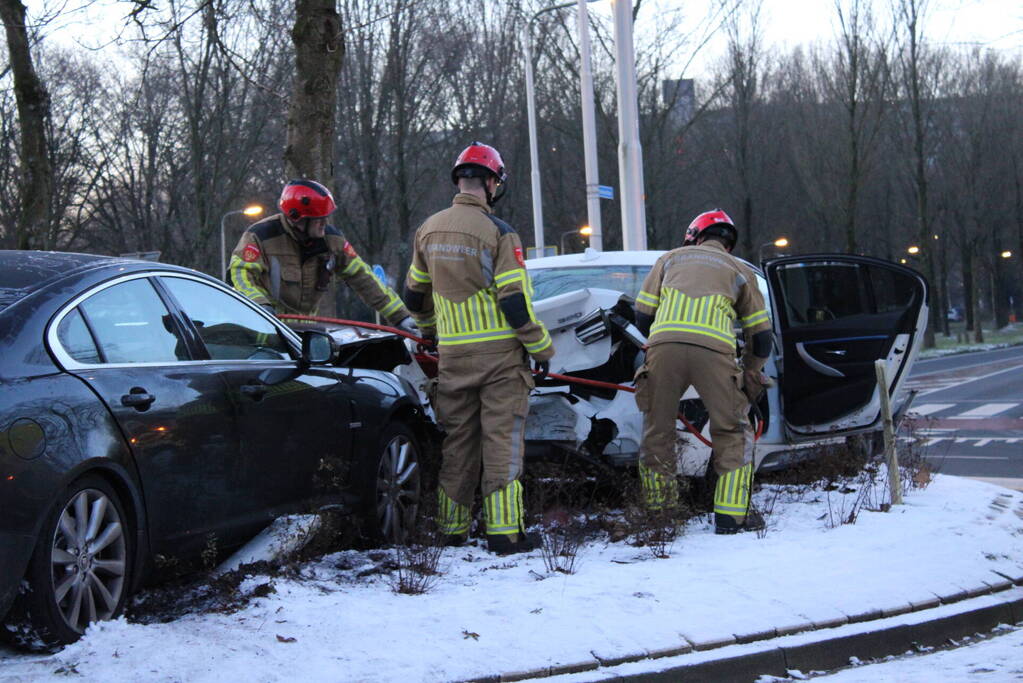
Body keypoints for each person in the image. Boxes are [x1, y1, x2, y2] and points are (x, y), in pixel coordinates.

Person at [403, 142, 554, 554]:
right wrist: (541, 348)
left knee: (458, 444)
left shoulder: (428, 230)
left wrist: (431, 331)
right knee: (502, 442)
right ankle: (505, 533)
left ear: (459, 180)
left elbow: (414, 296)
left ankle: (451, 530)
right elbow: (513, 301)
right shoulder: (500, 233)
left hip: (452, 359)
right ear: (491, 182)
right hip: (501, 360)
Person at [633, 209, 773, 534]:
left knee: (658, 430)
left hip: (664, 348)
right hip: (716, 352)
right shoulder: (739, 269)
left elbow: (642, 316)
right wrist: (750, 370)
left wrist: (660, 340)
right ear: (728, 243)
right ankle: (731, 517)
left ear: (694, 234)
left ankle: (661, 514)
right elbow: (762, 337)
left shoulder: (669, 259)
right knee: (732, 431)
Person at [229, 179, 413, 329]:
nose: (324, 223)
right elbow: (240, 273)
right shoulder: (261, 236)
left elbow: (363, 278)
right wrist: (260, 306)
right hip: (266, 333)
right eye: (318, 219)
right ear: (297, 219)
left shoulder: (332, 241)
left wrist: (401, 317)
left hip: (307, 336)